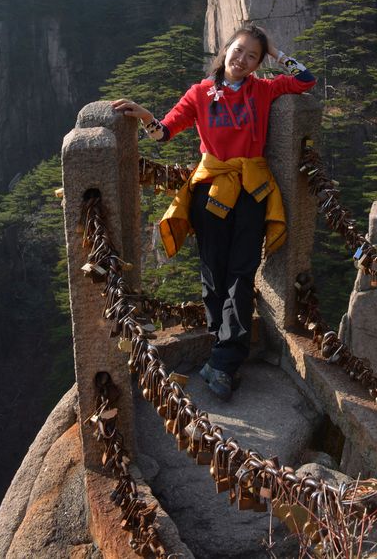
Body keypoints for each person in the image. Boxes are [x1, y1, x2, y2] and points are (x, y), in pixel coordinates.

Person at [112, 23, 316, 400]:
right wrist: (144, 116)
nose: (242, 60)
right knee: (213, 271)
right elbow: (164, 132)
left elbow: (306, 80)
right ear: (226, 49)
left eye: (252, 56)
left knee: (241, 272)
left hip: (252, 189)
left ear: (258, 63)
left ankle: (223, 362)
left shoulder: (264, 89)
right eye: (239, 50)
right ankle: (221, 352)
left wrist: (276, 52)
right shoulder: (200, 93)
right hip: (211, 191)